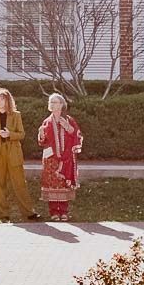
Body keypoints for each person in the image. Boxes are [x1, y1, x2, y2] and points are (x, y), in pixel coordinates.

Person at [0, 88, 37, 222]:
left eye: (3, 99)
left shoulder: (16, 115)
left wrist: (10, 135)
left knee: (19, 183)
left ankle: (29, 212)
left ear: (8, 101)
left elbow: (22, 134)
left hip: (13, 152)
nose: (0, 101)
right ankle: (3, 214)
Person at [37, 92, 83, 221]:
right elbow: (43, 142)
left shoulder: (69, 120)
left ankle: (63, 211)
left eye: (55, 102)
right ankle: (53, 212)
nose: (52, 104)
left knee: (64, 184)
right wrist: (41, 135)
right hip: (51, 159)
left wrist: (67, 127)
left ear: (62, 104)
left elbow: (77, 135)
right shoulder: (46, 121)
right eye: (50, 102)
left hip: (66, 159)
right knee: (52, 184)